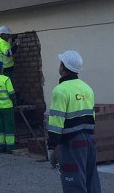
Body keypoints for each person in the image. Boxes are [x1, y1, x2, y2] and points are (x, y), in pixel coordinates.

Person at [47, 50, 101, 193]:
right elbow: (92, 118)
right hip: (89, 141)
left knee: (73, 182)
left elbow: (56, 122)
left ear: (63, 67)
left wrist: (53, 147)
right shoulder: (87, 89)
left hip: (71, 143)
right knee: (91, 180)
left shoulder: (60, 90)